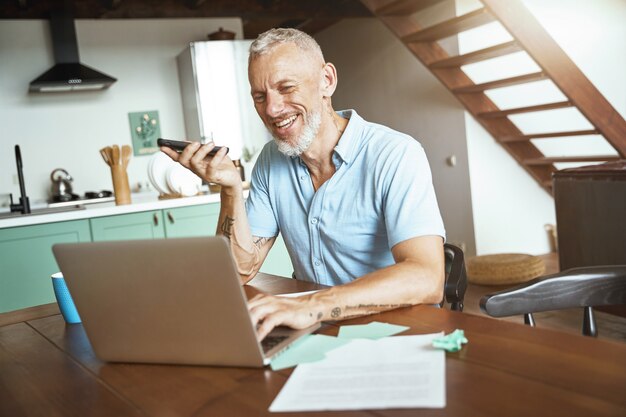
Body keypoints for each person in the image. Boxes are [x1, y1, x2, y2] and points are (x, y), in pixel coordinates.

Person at [161, 28, 446, 341]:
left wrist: (314, 306)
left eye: (286, 88)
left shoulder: (395, 154)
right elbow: (236, 271)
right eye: (260, 96)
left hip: (393, 331)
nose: (271, 109)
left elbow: (427, 276)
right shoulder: (270, 161)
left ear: (326, 80)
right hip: (318, 331)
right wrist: (230, 188)